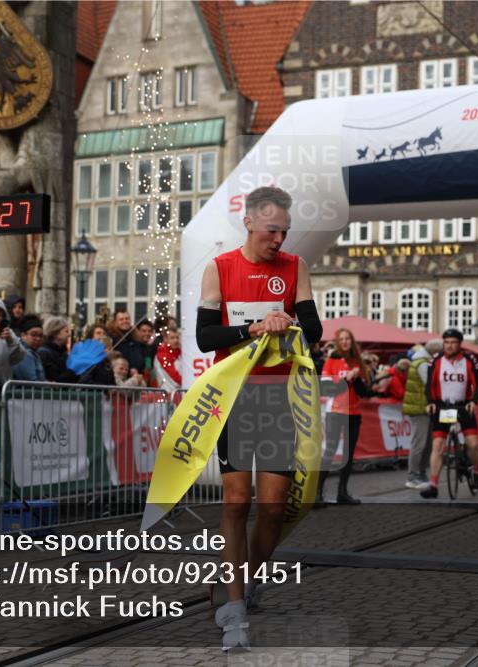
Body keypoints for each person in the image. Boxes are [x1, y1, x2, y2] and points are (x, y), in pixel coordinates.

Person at [195, 186, 322, 651]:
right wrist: (251, 327)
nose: (280, 240)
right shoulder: (221, 267)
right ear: (249, 222)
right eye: (273, 230)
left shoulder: (295, 267)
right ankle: (235, 610)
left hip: (278, 398)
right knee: (236, 501)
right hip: (235, 397)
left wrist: (285, 317)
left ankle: (238, 582)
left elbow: (314, 329)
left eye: (285, 231)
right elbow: (206, 336)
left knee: (273, 507)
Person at [420, 328, 478, 499]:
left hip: (463, 407)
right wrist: (431, 403)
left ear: (460, 344)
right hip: (445, 407)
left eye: (453, 342)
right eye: (446, 342)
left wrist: (473, 401)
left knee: (472, 444)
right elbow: (429, 386)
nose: (449, 346)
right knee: (438, 445)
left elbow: (477, 385)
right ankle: (433, 484)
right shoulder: (436, 360)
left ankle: (476, 471)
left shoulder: (469, 360)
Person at [319, 328, 374, 505]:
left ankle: (342, 492)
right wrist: (346, 379)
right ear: (337, 341)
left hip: (354, 413)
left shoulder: (357, 361)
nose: (345, 342)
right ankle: (317, 493)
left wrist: (357, 378)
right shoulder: (331, 361)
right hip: (335, 411)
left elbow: (364, 392)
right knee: (330, 451)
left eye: (347, 339)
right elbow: (327, 389)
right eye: (341, 339)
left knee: (348, 455)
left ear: (352, 341)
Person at [403, 346, 432, 489]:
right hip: (420, 408)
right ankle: (413, 476)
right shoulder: (422, 363)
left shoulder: (422, 361)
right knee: (419, 444)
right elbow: (430, 385)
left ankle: (420, 473)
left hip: (425, 408)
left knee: (427, 444)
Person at [37, 315, 77, 382]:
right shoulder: (44, 352)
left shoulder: (63, 353)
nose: (69, 335)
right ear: (56, 333)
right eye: (66, 331)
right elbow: (53, 378)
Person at [110, 308, 148, 374]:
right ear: (115, 322)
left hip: (138, 375)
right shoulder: (112, 338)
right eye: (121, 319)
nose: (125, 321)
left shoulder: (136, 337)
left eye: (127, 318)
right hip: (121, 376)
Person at [12, 314, 46, 381]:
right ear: (23, 335)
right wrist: (49, 386)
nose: (38, 339)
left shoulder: (33, 352)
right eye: (34, 335)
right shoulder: (25, 353)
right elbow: (31, 381)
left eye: (40, 335)